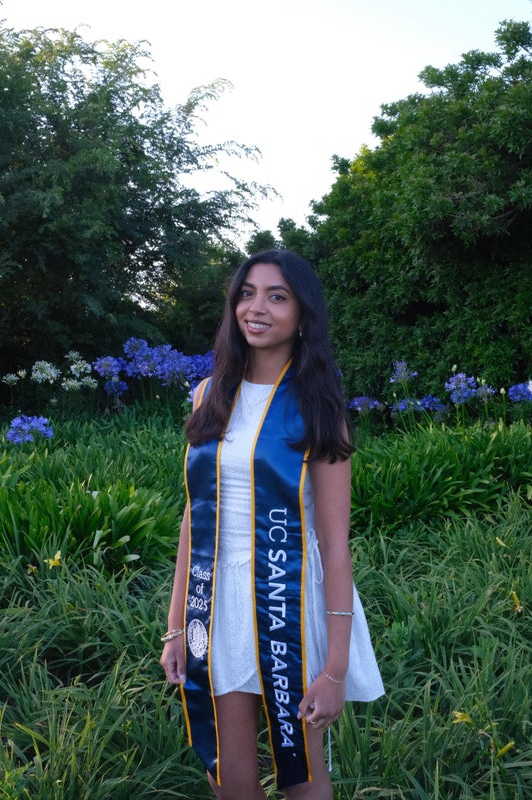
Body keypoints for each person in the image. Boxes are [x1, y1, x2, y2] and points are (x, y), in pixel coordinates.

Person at [160, 250, 384, 800]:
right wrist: (175, 626)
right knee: (228, 775)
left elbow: (334, 545)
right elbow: (196, 515)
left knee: (300, 773)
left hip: (289, 598)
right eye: (247, 293)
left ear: (303, 314)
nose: (256, 308)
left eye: (277, 297)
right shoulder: (210, 393)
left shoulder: (318, 409)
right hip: (216, 602)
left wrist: (334, 668)